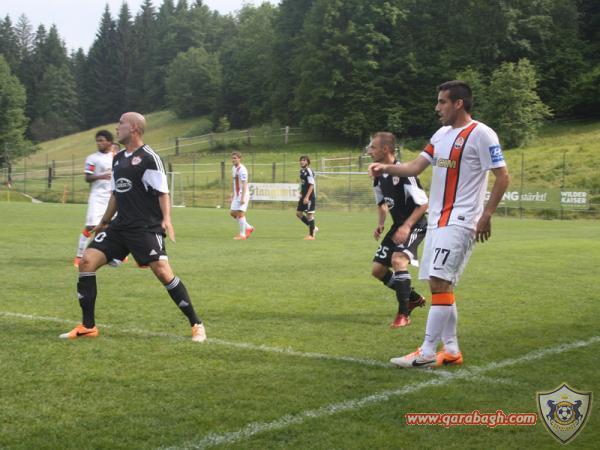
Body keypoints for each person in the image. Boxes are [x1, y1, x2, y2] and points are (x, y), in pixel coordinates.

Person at [369, 81, 510, 368]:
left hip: (461, 220)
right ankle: (452, 350)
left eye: (442, 102)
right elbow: (414, 167)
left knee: (438, 281)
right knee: (439, 285)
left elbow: (503, 176)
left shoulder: (482, 134)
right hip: (437, 221)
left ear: (458, 103)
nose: (437, 108)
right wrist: (386, 167)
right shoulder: (441, 135)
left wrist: (486, 215)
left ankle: (426, 352)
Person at [60, 112, 206, 342]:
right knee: (87, 261)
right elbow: (116, 193)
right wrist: (105, 222)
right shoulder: (118, 158)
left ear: (134, 128)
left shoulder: (149, 158)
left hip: (145, 227)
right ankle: (88, 326)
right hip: (119, 226)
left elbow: (163, 192)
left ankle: (196, 324)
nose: (116, 128)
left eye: (121, 123)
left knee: (163, 272)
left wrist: (167, 219)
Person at [367, 132, 428, 328]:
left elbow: (423, 204)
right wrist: (381, 223)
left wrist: (407, 226)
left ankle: (403, 314)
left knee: (398, 260)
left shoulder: (405, 173)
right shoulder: (378, 176)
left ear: (385, 149)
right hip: (398, 225)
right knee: (378, 270)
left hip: (416, 224)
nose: (369, 151)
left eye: (373, 147)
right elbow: (382, 203)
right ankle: (412, 298)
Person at [73, 130, 115, 268]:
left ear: (109, 142)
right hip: (97, 196)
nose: (99, 143)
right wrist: (101, 176)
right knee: (91, 226)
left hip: (112, 197)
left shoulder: (116, 157)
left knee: (108, 227)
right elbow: (87, 177)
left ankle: (105, 256)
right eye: (98, 140)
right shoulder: (92, 158)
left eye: (102, 140)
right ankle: (79, 256)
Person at [230, 151, 254, 240]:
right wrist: (233, 194)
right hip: (236, 195)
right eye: (232, 158)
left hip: (242, 194)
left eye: (235, 158)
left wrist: (243, 197)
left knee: (240, 214)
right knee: (233, 213)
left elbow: (244, 184)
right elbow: (234, 182)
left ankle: (242, 235)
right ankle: (249, 227)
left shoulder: (242, 169)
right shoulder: (233, 168)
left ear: (239, 159)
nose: (233, 160)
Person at [296, 155, 318, 240]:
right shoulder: (301, 171)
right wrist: (301, 193)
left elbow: (311, 185)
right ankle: (313, 228)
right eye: (301, 160)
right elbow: (303, 184)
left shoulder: (309, 171)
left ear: (308, 162)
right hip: (303, 196)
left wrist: (307, 197)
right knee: (298, 213)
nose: (302, 161)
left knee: (309, 215)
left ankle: (311, 236)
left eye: (304, 160)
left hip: (309, 197)